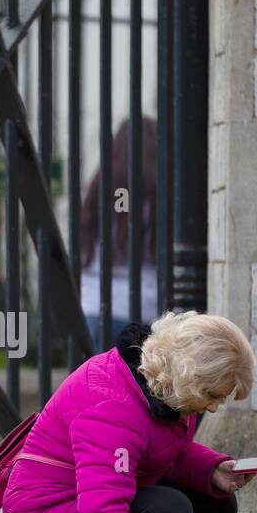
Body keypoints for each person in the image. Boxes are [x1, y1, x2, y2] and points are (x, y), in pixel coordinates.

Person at [1, 311, 257, 513]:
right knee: (169, 511)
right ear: (186, 374)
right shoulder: (112, 405)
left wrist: (211, 469)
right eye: (212, 395)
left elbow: (162, 452)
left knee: (216, 506)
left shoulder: (167, 389)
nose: (212, 409)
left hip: (84, 502)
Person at [78, 116, 160, 350]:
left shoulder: (92, 193)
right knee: (134, 385)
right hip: (143, 310)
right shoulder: (155, 197)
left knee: (95, 384)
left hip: (93, 307)